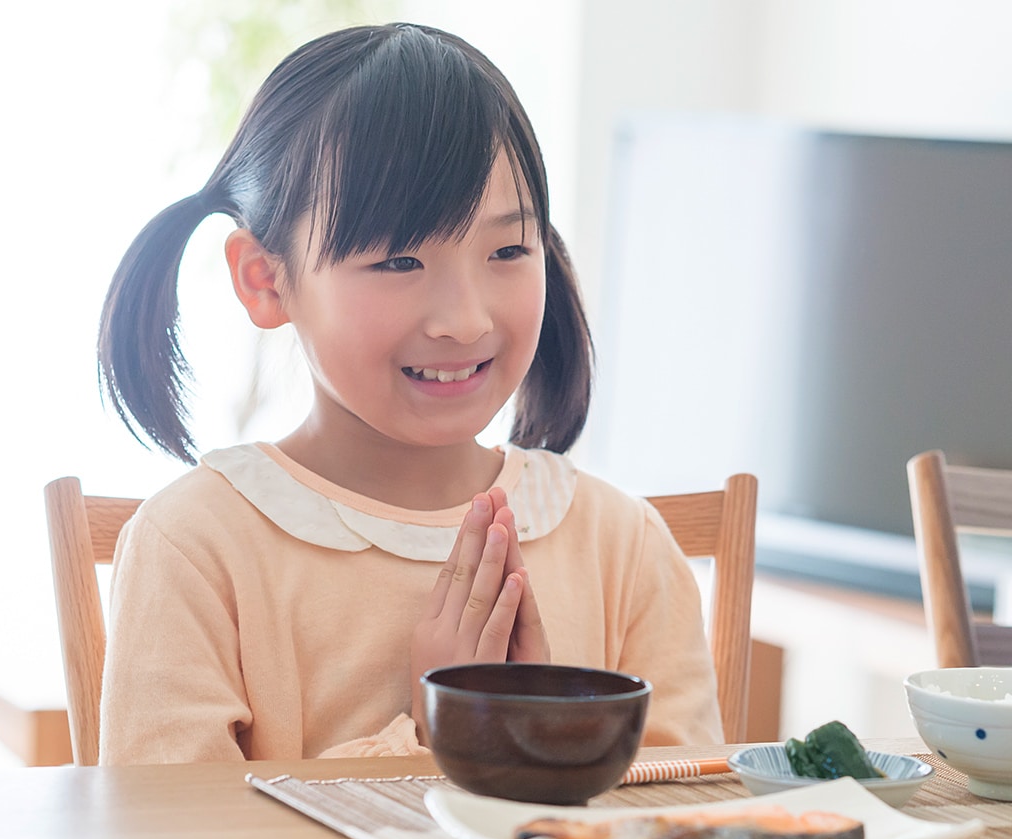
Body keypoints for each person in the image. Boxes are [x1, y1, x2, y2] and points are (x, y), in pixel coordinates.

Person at [95, 21, 724, 765]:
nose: (465, 319)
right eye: (399, 259)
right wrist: (433, 735)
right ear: (266, 279)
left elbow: (693, 820)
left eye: (508, 250)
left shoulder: (623, 547)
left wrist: (552, 736)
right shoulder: (197, 548)